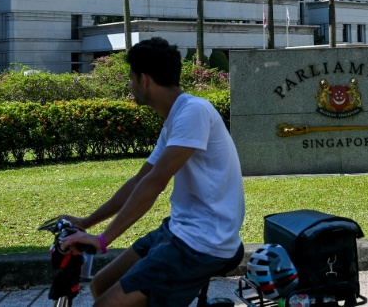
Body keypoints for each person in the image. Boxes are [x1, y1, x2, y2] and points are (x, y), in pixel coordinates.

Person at [59, 37, 245, 307]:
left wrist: (103, 239)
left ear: (144, 79)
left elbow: (155, 182)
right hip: (179, 230)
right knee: (101, 284)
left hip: (203, 242)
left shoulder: (194, 112)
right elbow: (140, 180)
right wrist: (86, 222)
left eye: (131, 78)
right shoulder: (175, 119)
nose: (130, 86)